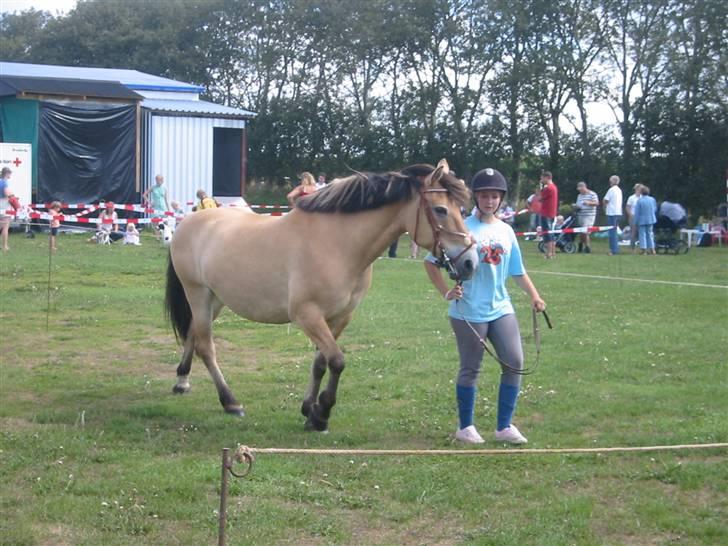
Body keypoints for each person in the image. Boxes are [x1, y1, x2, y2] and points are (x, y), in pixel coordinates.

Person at [424, 168, 546, 445]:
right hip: (468, 310)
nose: (489, 201)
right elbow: (430, 263)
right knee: (471, 368)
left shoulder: (506, 230)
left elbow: (517, 270)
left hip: (501, 307)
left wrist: (534, 296)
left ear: (500, 199)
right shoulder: (461, 226)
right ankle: (465, 427)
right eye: (484, 196)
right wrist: (446, 291)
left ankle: (504, 426)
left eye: (494, 196)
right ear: (476, 198)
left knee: (514, 362)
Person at [538, 171, 559, 258]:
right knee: (551, 233)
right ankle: (553, 252)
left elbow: (540, 198)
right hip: (552, 213)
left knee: (547, 234)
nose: (541, 180)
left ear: (547, 177)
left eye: (542, 178)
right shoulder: (554, 187)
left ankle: (548, 253)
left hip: (546, 213)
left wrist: (541, 188)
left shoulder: (548, 188)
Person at [574, 181, 599, 253]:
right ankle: (581, 245)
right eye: (579, 190)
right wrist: (575, 206)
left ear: (584, 187)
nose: (580, 191)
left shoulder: (592, 194)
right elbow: (578, 204)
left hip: (589, 215)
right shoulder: (579, 196)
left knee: (585, 231)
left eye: (581, 189)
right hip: (581, 215)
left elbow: (597, 203)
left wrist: (589, 203)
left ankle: (587, 247)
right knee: (582, 232)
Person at [603, 174, 623, 255]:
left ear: (612, 181)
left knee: (612, 232)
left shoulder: (611, 190)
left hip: (611, 213)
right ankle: (615, 249)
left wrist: (604, 208)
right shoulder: (619, 190)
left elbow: (605, 200)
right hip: (618, 212)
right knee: (614, 231)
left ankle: (613, 250)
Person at [633, 185, 657, 255]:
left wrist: (635, 222)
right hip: (651, 219)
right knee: (650, 234)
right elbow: (655, 209)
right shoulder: (652, 199)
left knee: (642, 235)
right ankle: (652, 249)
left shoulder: (639, 201)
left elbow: (637, 212)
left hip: (642, 220)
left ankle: (643, 250)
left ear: (641, 192)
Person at [625, 183, 642, 251]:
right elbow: (627, 207)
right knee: (633, 233)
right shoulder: (631, 198)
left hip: (641, 217)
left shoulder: (643, 197)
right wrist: (630, 215)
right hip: (633, 216)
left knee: (641, 233)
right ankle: (633, 248)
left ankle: (642, 248)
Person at [0, 167, 13, 252]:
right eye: (10, 174)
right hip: (4, 204)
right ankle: (5, 246)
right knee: (5, 226)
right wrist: (13, 197)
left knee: (1, 225)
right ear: (7, 173)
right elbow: (7, 194)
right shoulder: (5, 182)